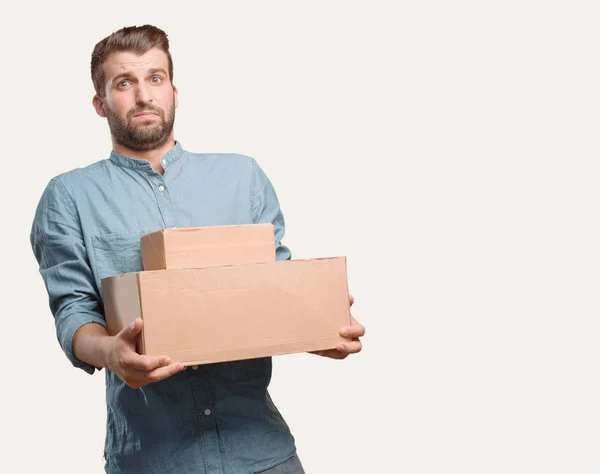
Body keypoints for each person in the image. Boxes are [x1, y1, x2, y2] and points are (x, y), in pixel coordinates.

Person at [30, 24, 365, 474]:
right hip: (152, 459)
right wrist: (111, 352)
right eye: (124, 83)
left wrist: (318, 328)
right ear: (100, 103)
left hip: (262, 454)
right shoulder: (69, 195)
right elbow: (74, 311)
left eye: (155, 78)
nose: (144, 95)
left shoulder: (242, 177)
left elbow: (275, 291)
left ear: (173, 90)